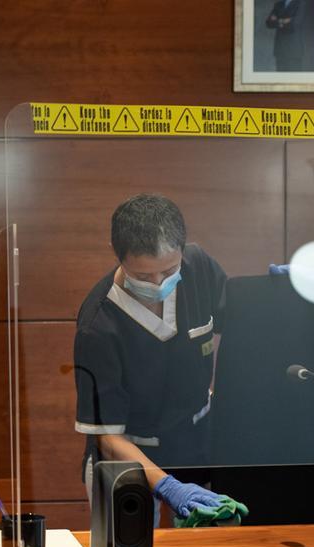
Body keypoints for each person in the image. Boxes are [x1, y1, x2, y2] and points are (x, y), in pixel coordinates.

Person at [73, 194, 243, 521]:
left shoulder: (198, 266)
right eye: (143, 275)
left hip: (195, 441)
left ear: (182, 249)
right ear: (117, 253)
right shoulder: (97, 327)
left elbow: (240, 320)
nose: (159, 283)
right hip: (126, 455)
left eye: (168, 271)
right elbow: (108, 437)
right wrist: (167, 485)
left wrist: (275, 292)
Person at [265, 0, 306, 72]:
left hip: (294, 50)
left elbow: (294, 25)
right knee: (281, 78)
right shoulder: (278, 4)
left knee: (294, 79)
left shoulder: (301, 3)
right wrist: (283, 21)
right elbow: (269, 23)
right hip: (280, 49)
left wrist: (277, 21)